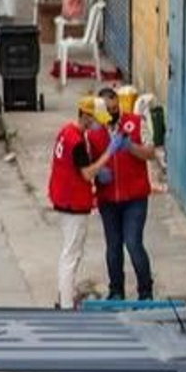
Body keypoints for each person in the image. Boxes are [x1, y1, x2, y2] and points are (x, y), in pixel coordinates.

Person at [48, 96, 114, 309]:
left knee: (69, 252)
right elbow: (86, 173)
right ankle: (66, 305)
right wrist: (107, 155)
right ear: (85, 116)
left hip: (64, 198)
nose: (98, 125)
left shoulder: (67, 132)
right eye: (96, 119)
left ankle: (64, 298)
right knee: (71, 255)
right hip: (73, 203)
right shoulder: (76, 141)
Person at [95, 87, 156, 301]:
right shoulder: (94, 130)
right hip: (108, 199)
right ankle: (116, 291)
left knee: (133, 243)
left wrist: (131, 147)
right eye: (107, 110)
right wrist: (98, 173)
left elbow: (151, 153)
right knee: (113, 247)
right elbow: (86, 162)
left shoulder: (136, 123)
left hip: (134, 198)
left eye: (114, 109)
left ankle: (145, 291)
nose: (111, 114)